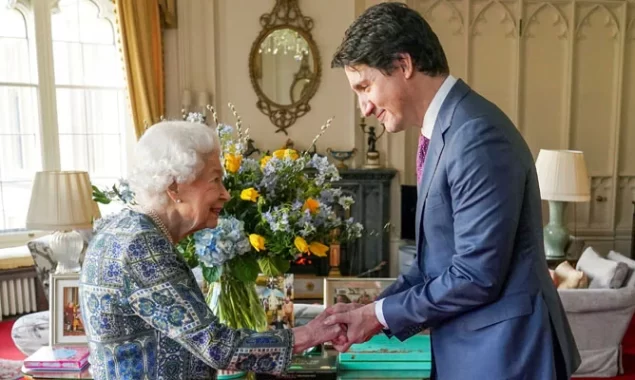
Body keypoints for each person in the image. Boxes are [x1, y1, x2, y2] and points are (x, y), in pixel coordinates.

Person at [324, 3, 581, 379]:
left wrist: (376, 316)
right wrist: (370, 311)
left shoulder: (477, 135)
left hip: (507, 356)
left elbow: (476, 275)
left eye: (365, 86)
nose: (364, 107)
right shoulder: (445, 130)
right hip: (476, 352)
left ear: (404, 65)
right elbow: (433, 266)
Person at [79, 121, 345, 380]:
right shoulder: (142, 247)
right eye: (216, 180)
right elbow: (215, 345)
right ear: (174, 187)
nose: (226, 194)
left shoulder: (123, 230)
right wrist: (310, 334)